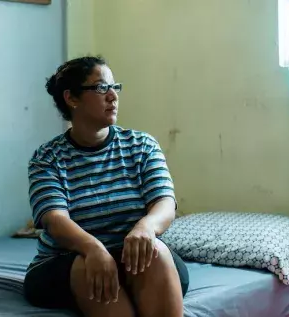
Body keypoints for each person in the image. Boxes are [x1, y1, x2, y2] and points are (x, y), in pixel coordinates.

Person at [23, 56, 189, 317]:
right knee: (88, 265)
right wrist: (94, 248)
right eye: (101, 88)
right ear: (72, 98)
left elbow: (164, 203)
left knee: (154, 251)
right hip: (69, 261)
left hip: (134, 257)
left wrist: (145, 227)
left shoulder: (141, 145)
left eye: (115, 87)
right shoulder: (47, 158)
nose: (113, 96)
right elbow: (55, 220)